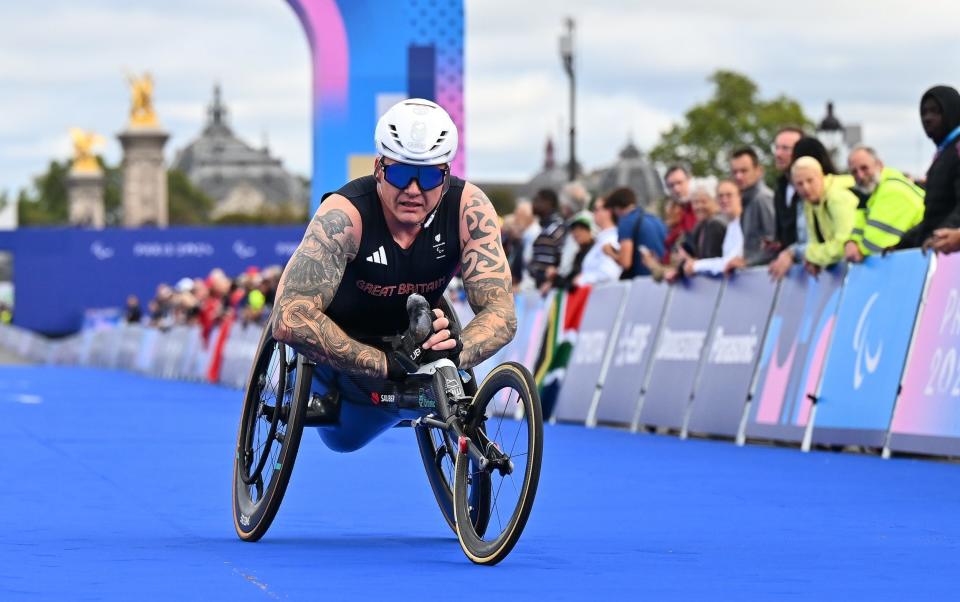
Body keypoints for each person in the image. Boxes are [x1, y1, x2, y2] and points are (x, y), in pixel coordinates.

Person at [270, 98, 516, 452]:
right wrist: (382, 363)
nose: (414, 190)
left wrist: (456, 350)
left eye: (430, 175)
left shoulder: (470, 209)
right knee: (343, 441)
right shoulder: (344, 216)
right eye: (401, 173)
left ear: (446, 177)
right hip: (341, 350)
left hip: (413, 340)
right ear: (379, 168)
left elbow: (501, 314)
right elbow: (289, 318)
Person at [898, 85, 960, 250]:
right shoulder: (944, 153)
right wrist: (902, 244)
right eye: (924, 112)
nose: (927, 118)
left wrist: (938, 238)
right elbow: (934, 216)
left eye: (935, 111)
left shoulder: (957, 150)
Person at [844, 146, 925, 261]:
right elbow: (860, 227)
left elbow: (876, 244)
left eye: (864, 168)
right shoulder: (875, 191)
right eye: (854, 172)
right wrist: (851, 241)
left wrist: (858, 250)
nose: (860, 176)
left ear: (879, 165)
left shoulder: (892, 190)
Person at [789, 156, 859, 276]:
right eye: (799, 184)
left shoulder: (837, 197)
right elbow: (815, 242)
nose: (805, 188)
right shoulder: (808, 203)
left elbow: (842, 246)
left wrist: (809, 255)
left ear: (821, 176)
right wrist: (814, 260)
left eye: (810, 180)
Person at [602, 186, 667, 279]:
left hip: (644, 283)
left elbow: (625, 263)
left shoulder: (626, 221)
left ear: (616, 208)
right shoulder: (655, 219)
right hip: (663, 279)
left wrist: (610, 252)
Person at [728, 147, 776, 266]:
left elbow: (774, 244)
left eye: (744, 171)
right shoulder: (747, 200)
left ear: (758, 171)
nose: (738, 176)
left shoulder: (763, 199)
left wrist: (747, 262)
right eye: (735, 172)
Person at [684, 180, 742, 276]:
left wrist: (695, 265)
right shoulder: (700, 227)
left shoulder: (716, 224)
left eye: (703, 202)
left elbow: (724, 262)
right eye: (695, 202)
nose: (699, 206)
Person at [574, 197, 622, 287]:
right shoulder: (602, 239)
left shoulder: (613, 239)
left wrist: (582, 279)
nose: (593, 213)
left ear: (608, 212)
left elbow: (609, 273)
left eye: (596, 209)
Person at [526, 188, 567, 292]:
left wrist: (551, 281)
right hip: (540, 290)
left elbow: (561, 258)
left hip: (550, 291)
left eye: (537, 200)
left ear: (548, 203)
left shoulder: (556, 228)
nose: (533, 204)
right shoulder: (546, 228)